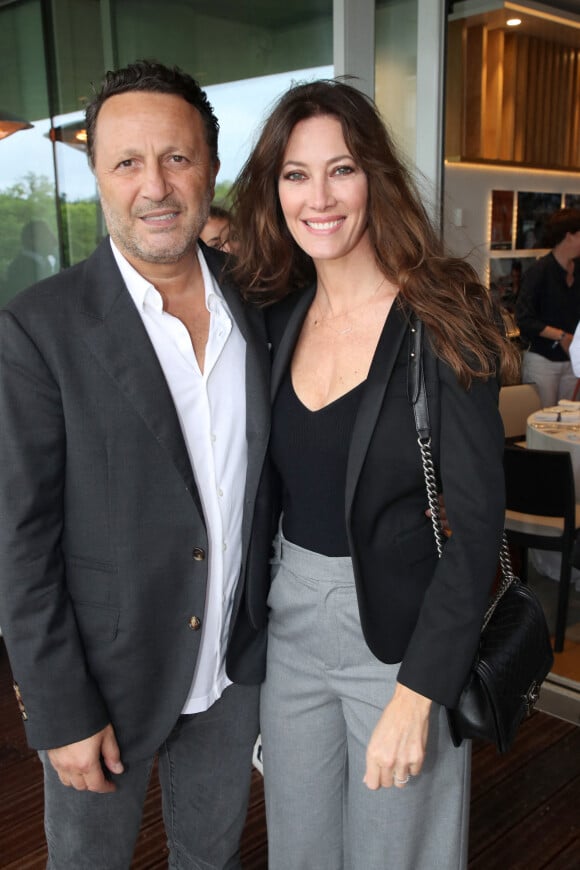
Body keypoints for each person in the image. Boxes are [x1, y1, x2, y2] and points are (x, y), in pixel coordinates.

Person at [229, 79, 518, 870]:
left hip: (400, 638)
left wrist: (419, 692)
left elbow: (477, 531)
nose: (318, 197)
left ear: (375, 180)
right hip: (293, 626)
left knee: (401, 854)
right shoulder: (275, 316)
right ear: (275, 189)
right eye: (295, 174)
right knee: (300, 850)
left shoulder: (443, 316)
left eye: (341, 169)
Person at [0, 60, 272, 870]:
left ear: (211, 168)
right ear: (98, 177)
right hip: (102, 685)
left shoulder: (259, 301)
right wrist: (56, 709)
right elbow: (20, 538)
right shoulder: (38, 328)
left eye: (176, 158)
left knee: (210, 857)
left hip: (232, 670)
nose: (154, 185)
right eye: (126, 162)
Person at [516, 207, 580, 407]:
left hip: (573, 361)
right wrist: (561, 336)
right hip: (543, 361)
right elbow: (524, 318)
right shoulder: (539, 271)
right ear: (569, 236)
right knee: (541, 419)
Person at [5, 218, 58, 295]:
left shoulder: (38, 264)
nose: (54, 241)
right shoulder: (22, 268)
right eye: (48, 236)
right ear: (31, 240)